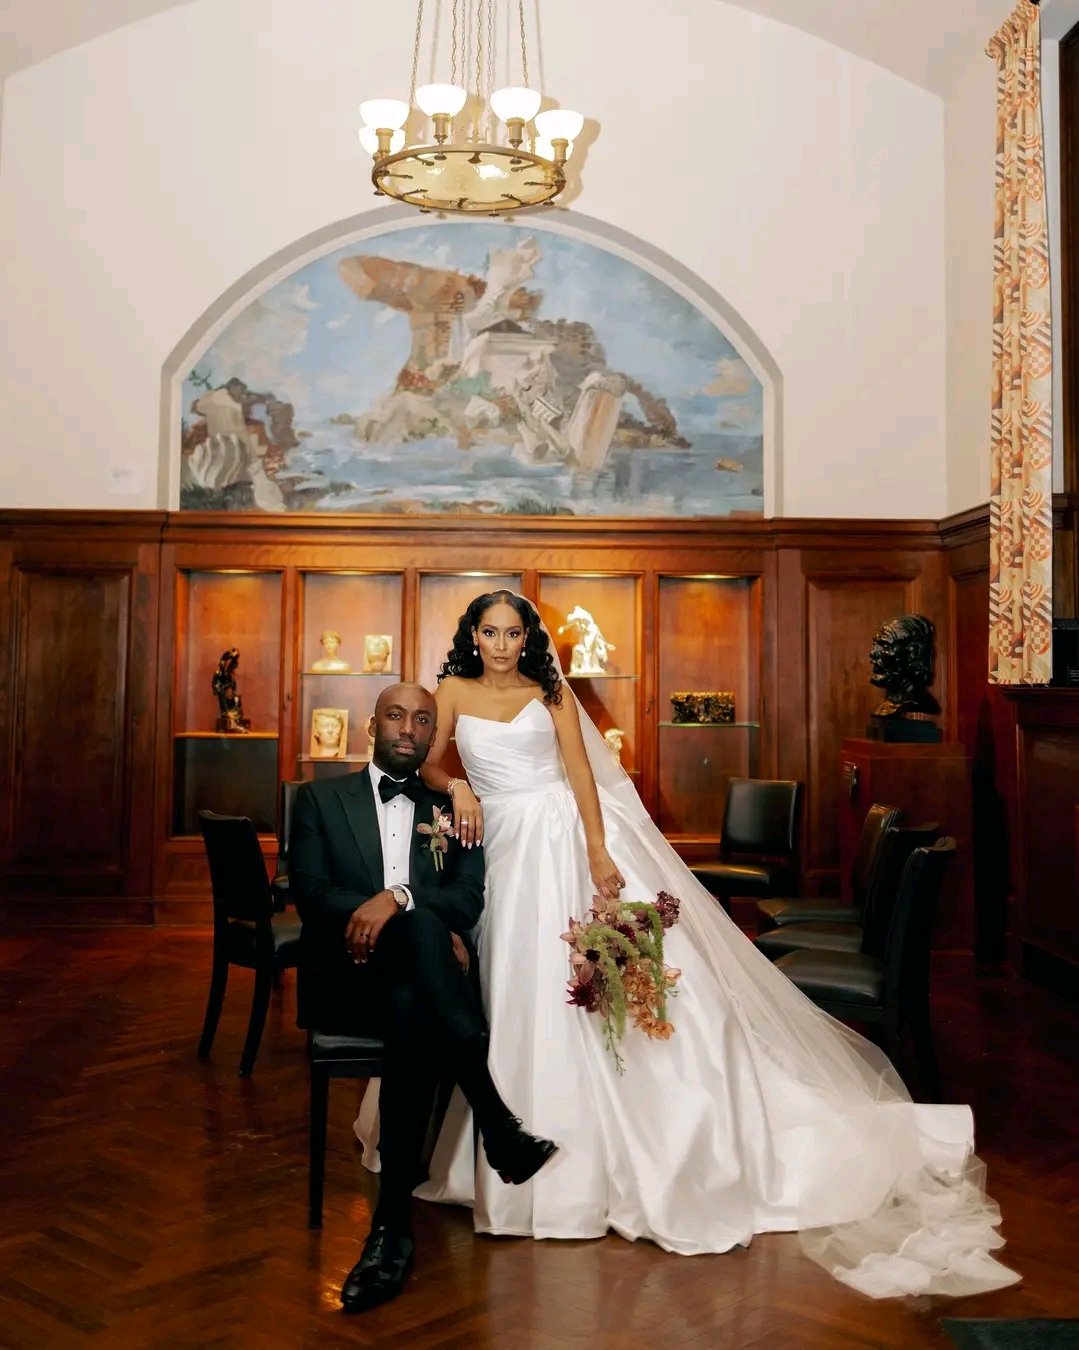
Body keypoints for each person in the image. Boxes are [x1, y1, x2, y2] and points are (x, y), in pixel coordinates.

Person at [400, 591, 1018, 1299]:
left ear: (526, 638)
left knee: (594, 984)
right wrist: (458, 788)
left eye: (513, 633)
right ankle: (513, 1145)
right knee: (514, 990)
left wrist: (598, 852)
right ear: (473, 636)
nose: (502, 645)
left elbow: (580, 775)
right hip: (499, 847)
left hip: (561, 839)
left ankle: (620, 1157)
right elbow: (426, 763)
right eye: (490, 632)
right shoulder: (452, 691)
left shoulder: (549, 690)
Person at [289, 682, 556, 1315]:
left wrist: (400, 899)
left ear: (434, 736)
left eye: (422, 720)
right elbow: (311, 894)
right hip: (349, 976)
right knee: (423, 957)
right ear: (371, 726)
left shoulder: (455, 810)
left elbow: (467, 898)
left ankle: (390, 1231)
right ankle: (496, 1122)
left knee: (414, 998)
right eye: (395, 716)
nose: (408, 728)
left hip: (417, 988)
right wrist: (392, 916)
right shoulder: (319, 799)